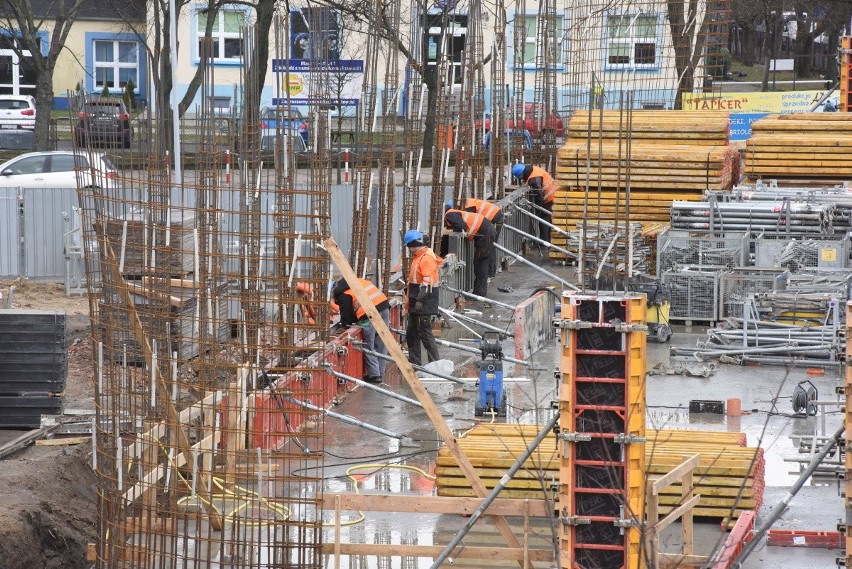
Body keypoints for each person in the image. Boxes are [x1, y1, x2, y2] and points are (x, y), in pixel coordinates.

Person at [331, 277, 390, 384]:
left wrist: (344, 325)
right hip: (384, 307)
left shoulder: (344, 294)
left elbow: (347, 318)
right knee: (382, 341)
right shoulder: (356, 281)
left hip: (368, 315)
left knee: (368, 344)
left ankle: (374, 375)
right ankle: (380, 372)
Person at [403, 229, 441, 367]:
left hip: (424, 301)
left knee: (425, 334)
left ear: (414, 244)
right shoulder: (418, 256)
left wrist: (420, 300)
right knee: (412, 333)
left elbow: (426, 282)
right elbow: (416, 280)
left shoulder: (426, 258)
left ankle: (436, 364)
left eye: (409, 246)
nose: (409, 249)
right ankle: (415, 362)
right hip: (416, 300)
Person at [444, 207, 496, 297]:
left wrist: (453, 232)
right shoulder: (455, 212)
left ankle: (479, 294)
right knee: (481, 261)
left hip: (485, 234)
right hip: (485, 231)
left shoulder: (449, 215)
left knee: (480, 263)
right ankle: (479, 293)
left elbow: (462, 227)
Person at [512, 163, 556, 243]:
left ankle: (544, 242)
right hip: (553, 194)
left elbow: (539, 195)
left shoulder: (533, 179)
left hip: (550, 197)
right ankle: (547, 240)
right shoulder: (534, 169)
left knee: (543, 220)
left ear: (522, 174)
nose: (521, 179)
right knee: (547, 219)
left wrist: (538, 208)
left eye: (520, 177)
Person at [464, 197, 504, 278]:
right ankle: (491, 271)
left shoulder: (468, 206)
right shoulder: (470, 201)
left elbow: (470, 220)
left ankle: (491, 272)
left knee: (490, 246)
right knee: (491, 246)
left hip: (495, 220)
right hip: (496, 217)